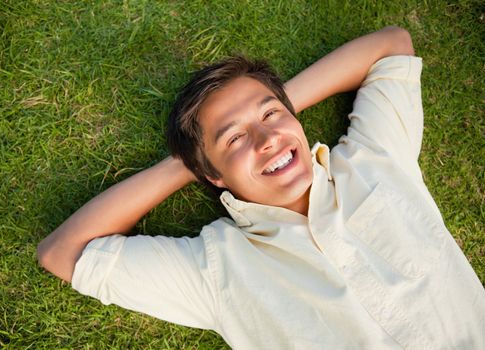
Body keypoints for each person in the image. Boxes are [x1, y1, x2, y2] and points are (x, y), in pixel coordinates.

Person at [37, 26, 485, 349]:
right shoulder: (217, 270)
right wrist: (188, 164)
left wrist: (269, 111)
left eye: (271, 115)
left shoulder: (375, 158)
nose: (267, 139)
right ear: (211, 175)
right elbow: (62, 253)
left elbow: (392, 46)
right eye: (234, 138)